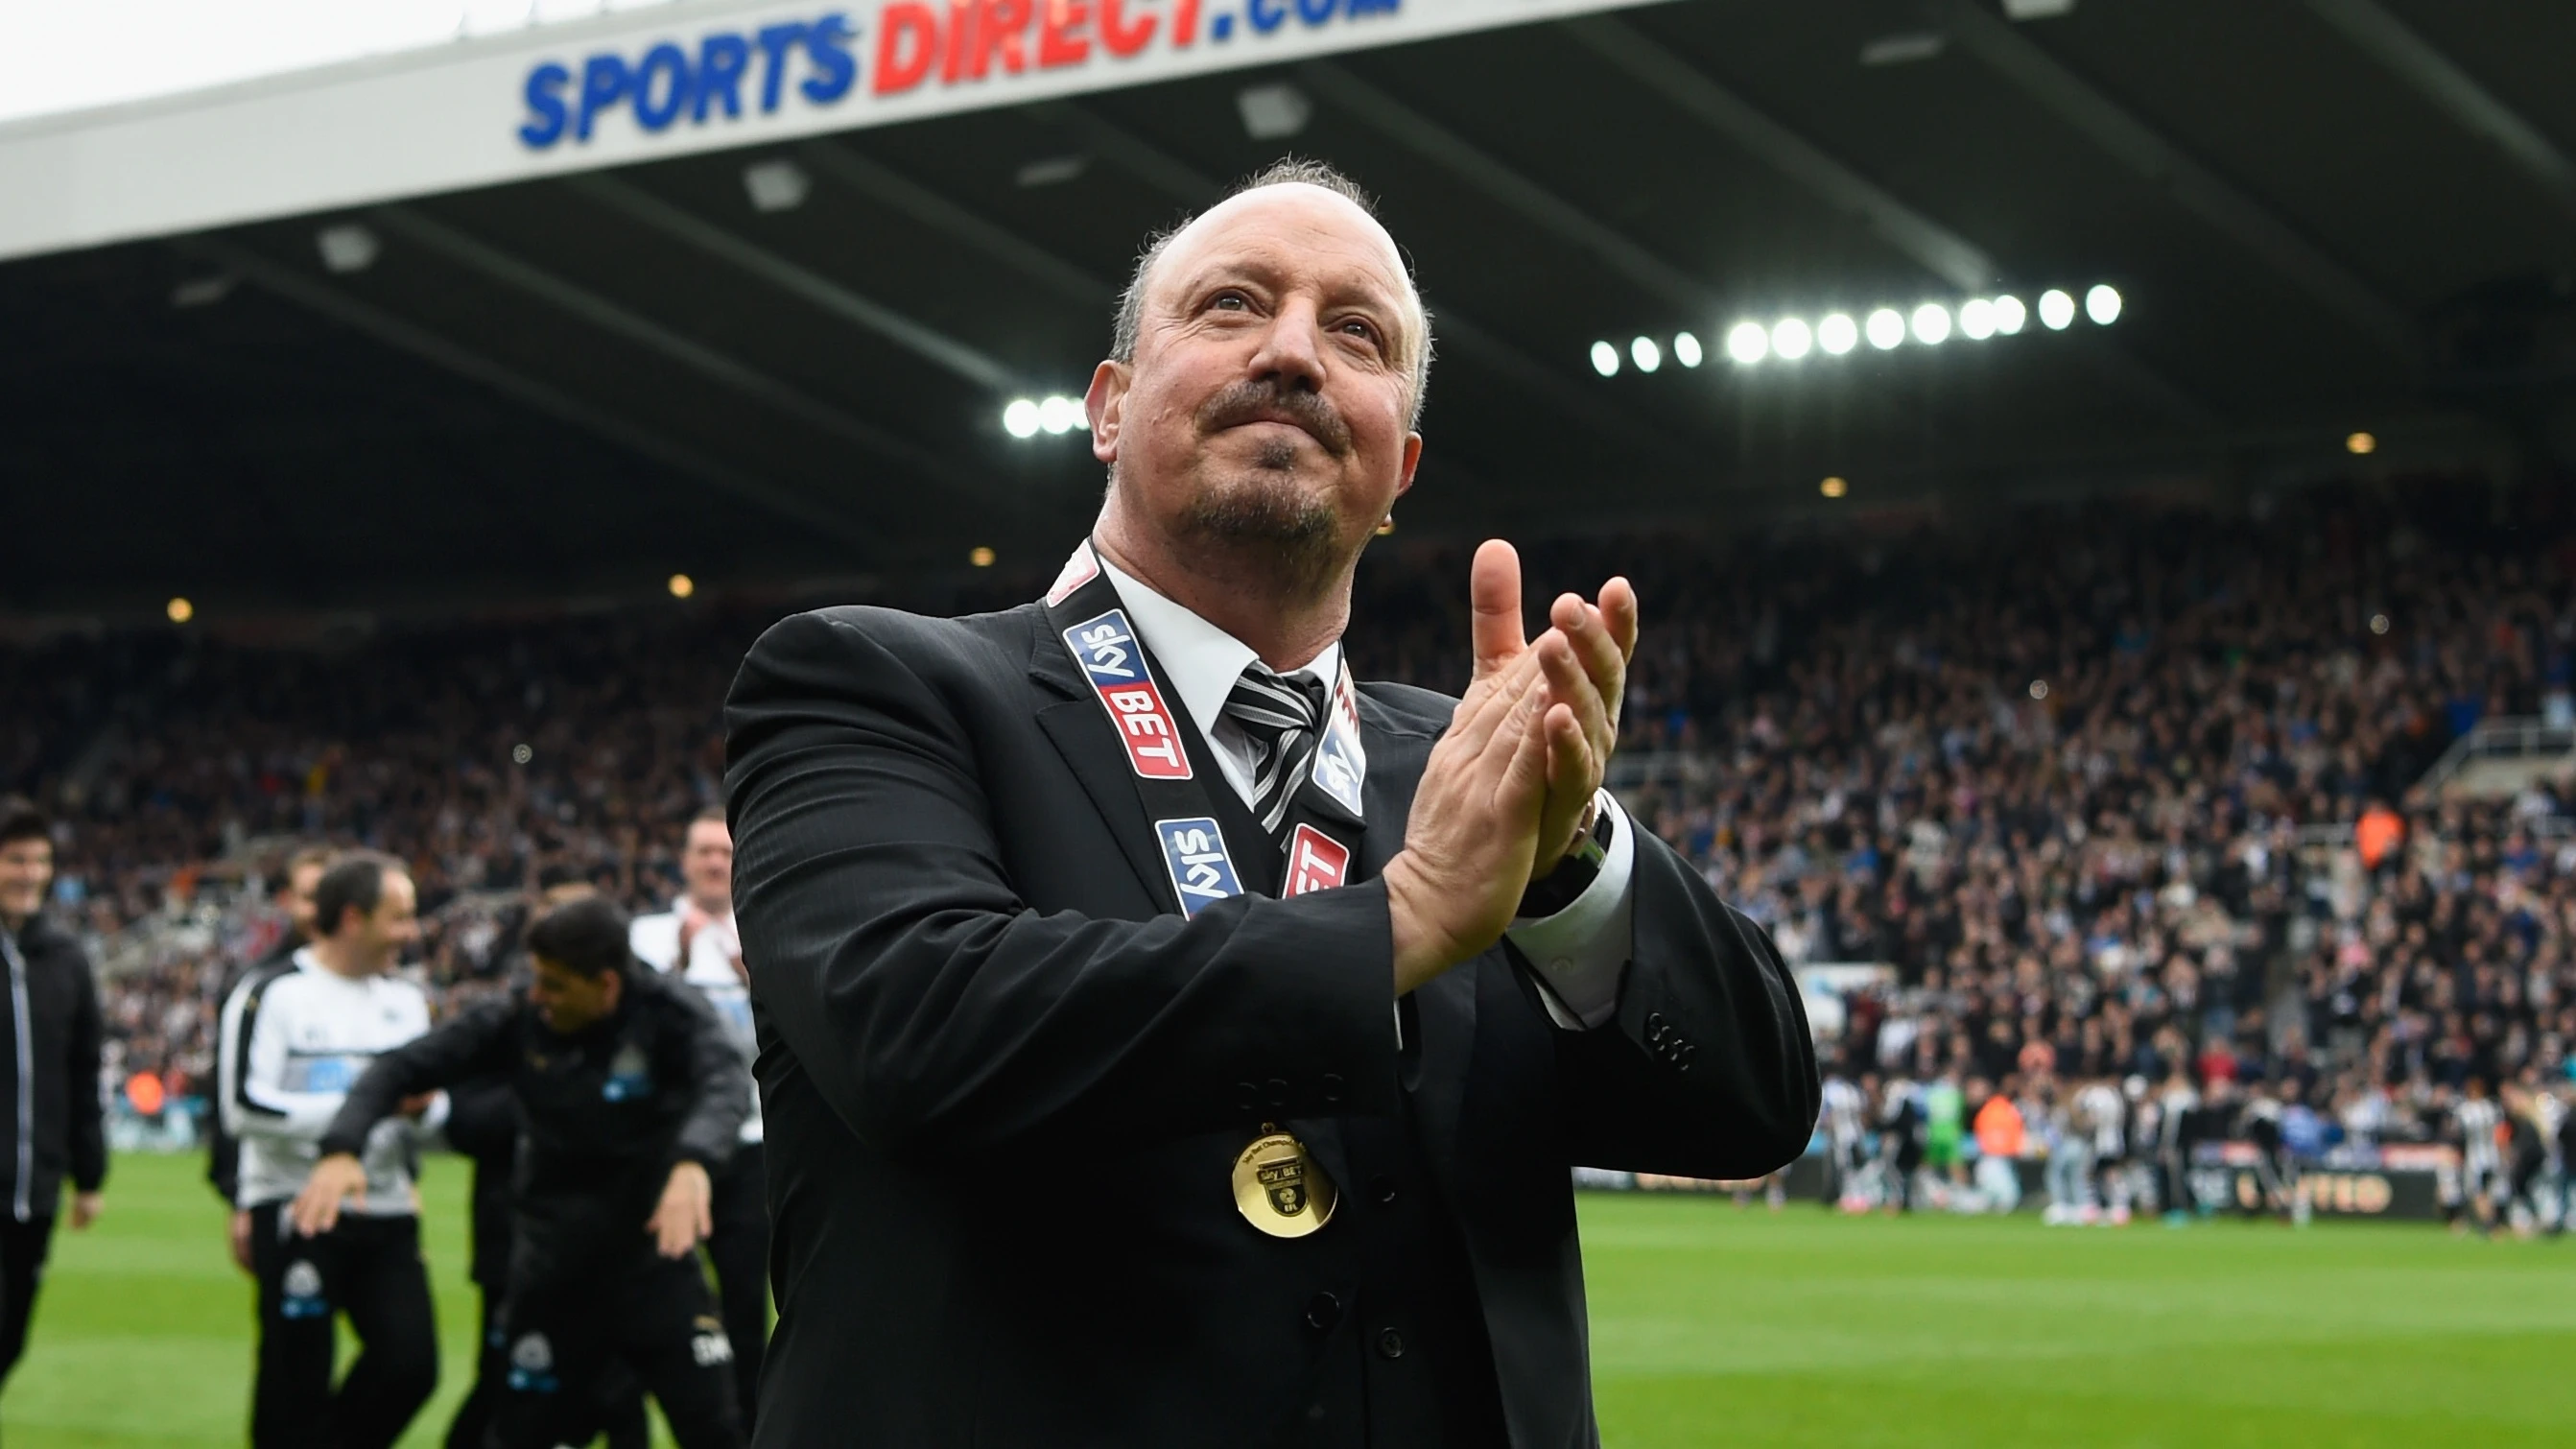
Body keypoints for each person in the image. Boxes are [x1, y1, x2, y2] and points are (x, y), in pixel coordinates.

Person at [723, 158, 1818, 1446]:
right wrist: (1398, 923)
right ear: (1111, 406)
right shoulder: (876, 681)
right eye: (1233, 305)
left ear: (1399, 462)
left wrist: (1566, 868)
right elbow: (914, 1035)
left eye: (1356, 332)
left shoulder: (1472, 771)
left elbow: (1748, 1108)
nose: (1293, 352)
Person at [294, 894, 751, 1449]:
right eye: (537, 980)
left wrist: (693, 1161)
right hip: (552, 1273)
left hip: (656, 1268)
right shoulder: (518, 1015)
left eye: (555, 985)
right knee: (520, 1435)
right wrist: (343, 1146)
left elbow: (725, 1083)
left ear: (606, 985)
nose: (540, 996)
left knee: (717, 1432)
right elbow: (399, 1068)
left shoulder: (672, 1014)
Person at [216, 851, 443, 1449]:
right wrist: (360, 1112)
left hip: (386, 1207)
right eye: (399, 917)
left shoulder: (407, 1000)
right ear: (352, 918)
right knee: (294, 1380)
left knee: (411, 1366)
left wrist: (427, 1112)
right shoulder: (270, 993)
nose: (410, 931)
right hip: (298, 1209)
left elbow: (431, 1114)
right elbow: (244, 1107)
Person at [629, 805, 767, 1432]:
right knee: (660, 1299)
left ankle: (751, 1428)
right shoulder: (647, 936)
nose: (714, 863)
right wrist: (676, 972)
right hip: (670, 1151)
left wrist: (760, 983)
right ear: (683, 862)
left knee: (747, 1304)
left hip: (754, 1145)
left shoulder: (765, 929)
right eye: (703, 852)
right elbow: (632, 1037)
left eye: (724, 852)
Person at [0, 798, 106, 1386]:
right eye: (15, 859)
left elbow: (84, 1068)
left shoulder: (66, 958)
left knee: (11, 1339)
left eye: (39, 861)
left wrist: (89, 1176)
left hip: (34, 1192)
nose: (30, 874)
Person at [210, 844, 332, 1272]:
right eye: (310, 896)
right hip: (278, 1192)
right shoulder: (255, 987)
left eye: (332, 896)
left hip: (365, 1193)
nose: (320, 910)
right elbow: (226, 1100)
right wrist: (238, 1197)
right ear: (287, 901)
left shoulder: (379, 987)